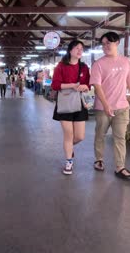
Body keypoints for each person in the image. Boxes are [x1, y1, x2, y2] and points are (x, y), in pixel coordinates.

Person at [90, 32, 130, 179]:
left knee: (120, 137)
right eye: (103, 44)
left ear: (117, 43)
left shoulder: (126, 62)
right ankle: (99, 160)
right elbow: (97, 87)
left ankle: (120, 167)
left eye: (108, 43)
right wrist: (106, 105)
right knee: (100, 135)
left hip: (122, 107)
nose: (105, 46)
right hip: (102, 108)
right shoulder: (98, 64)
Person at [52, 40, 90, 175]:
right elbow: (55, 85)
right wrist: (73, 85)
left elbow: (87, 85)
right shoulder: (61, 66)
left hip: (79, 103)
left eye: (82, 49)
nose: (80, 51)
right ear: (70, 50)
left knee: (79, 136)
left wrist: (85, 87)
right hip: (65, 103)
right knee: (68, 134)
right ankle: (69, 161)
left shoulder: (84, 67)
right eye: (77, 48)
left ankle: (68, 148)